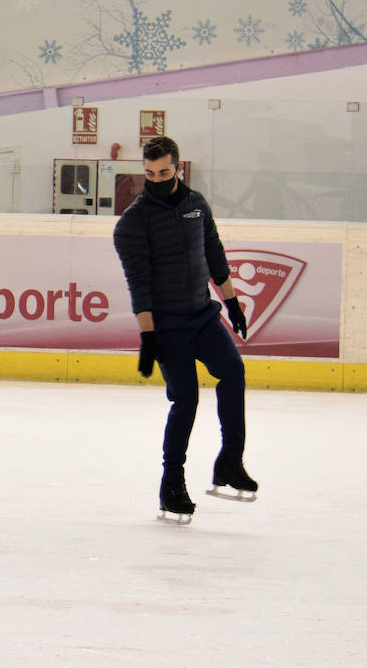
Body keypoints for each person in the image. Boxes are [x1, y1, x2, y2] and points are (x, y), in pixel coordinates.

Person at [113, 135, 258, 524]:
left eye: (163, 172)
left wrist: (231, 304)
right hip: (167, 326)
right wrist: (148, 337)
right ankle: (171, 484)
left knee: (234, 373)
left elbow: (214, 254)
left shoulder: (196, 205)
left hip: (203, 316)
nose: (156, 180)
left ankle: (230, 462)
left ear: (178, 168)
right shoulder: (132, 223)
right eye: (148, 174)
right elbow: (138, 286)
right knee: (187, 399)